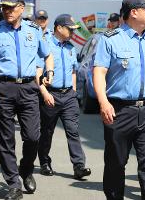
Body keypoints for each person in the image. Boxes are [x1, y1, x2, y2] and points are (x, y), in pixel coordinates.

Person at [0, 0, 54, 200]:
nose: (7, 11)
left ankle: (26, 169)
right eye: (4, 7)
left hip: (29, 88)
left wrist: (50, 72)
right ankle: (13, 184)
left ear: (21, 7)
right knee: (5, 139)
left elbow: (47, 55)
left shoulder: (34, 30)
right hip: (2, 88)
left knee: (32, 136)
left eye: (11, 7)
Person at [93, 0, 145, 200]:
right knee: (116, 164)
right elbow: (99, 72)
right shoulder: (110, 40)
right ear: (134, 13)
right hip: (119, 111)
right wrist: (103, 102)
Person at [38, 14, 91, 180]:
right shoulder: (45, 45)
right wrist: (45, 93)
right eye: (70, 29)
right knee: (47, 132)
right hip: (50, 95)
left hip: (68, 96)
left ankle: (79, 166)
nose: (73, 33)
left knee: (73, 131)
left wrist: (74, 91)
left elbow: (73, 70)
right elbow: (37, 71)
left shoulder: (70, 48)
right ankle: (44, 162)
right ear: (59, 28)